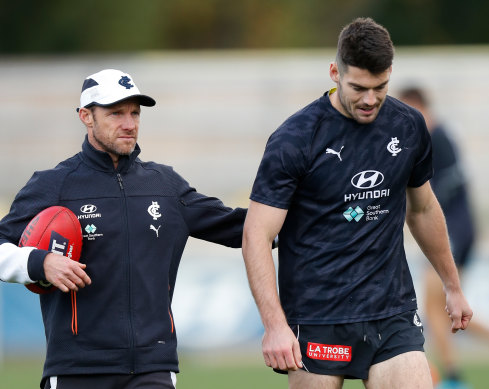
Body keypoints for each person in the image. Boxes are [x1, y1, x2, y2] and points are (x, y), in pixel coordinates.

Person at [241, 17, 473, 389]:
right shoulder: (295, 139)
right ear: (335, 72)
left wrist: (453, 285)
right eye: (358, 87)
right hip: (317, 317)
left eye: (380, 87)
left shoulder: (409, 126)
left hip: (391, 311)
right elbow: (256, 234)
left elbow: (424, 208)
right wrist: (274, 326)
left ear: (391, 73)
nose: (370, 99)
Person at [0, 68, 246, 389]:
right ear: (86, 116)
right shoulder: (52, 185)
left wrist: (308, 221)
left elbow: (241, 228)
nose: (129, 124)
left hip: (152, 368)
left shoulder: (165, 185)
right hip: (77, 367)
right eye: (116, 113)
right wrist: (39, 263)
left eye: (134, 113)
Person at [399, 87, 487, 389]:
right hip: (456, 231)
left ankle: (453, 378)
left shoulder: (434, 137)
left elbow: (435, 197)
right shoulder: (440, 136)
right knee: (438, 307)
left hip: (454, 233)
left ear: (419, 106)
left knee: (438, 306)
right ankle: (452, 375)